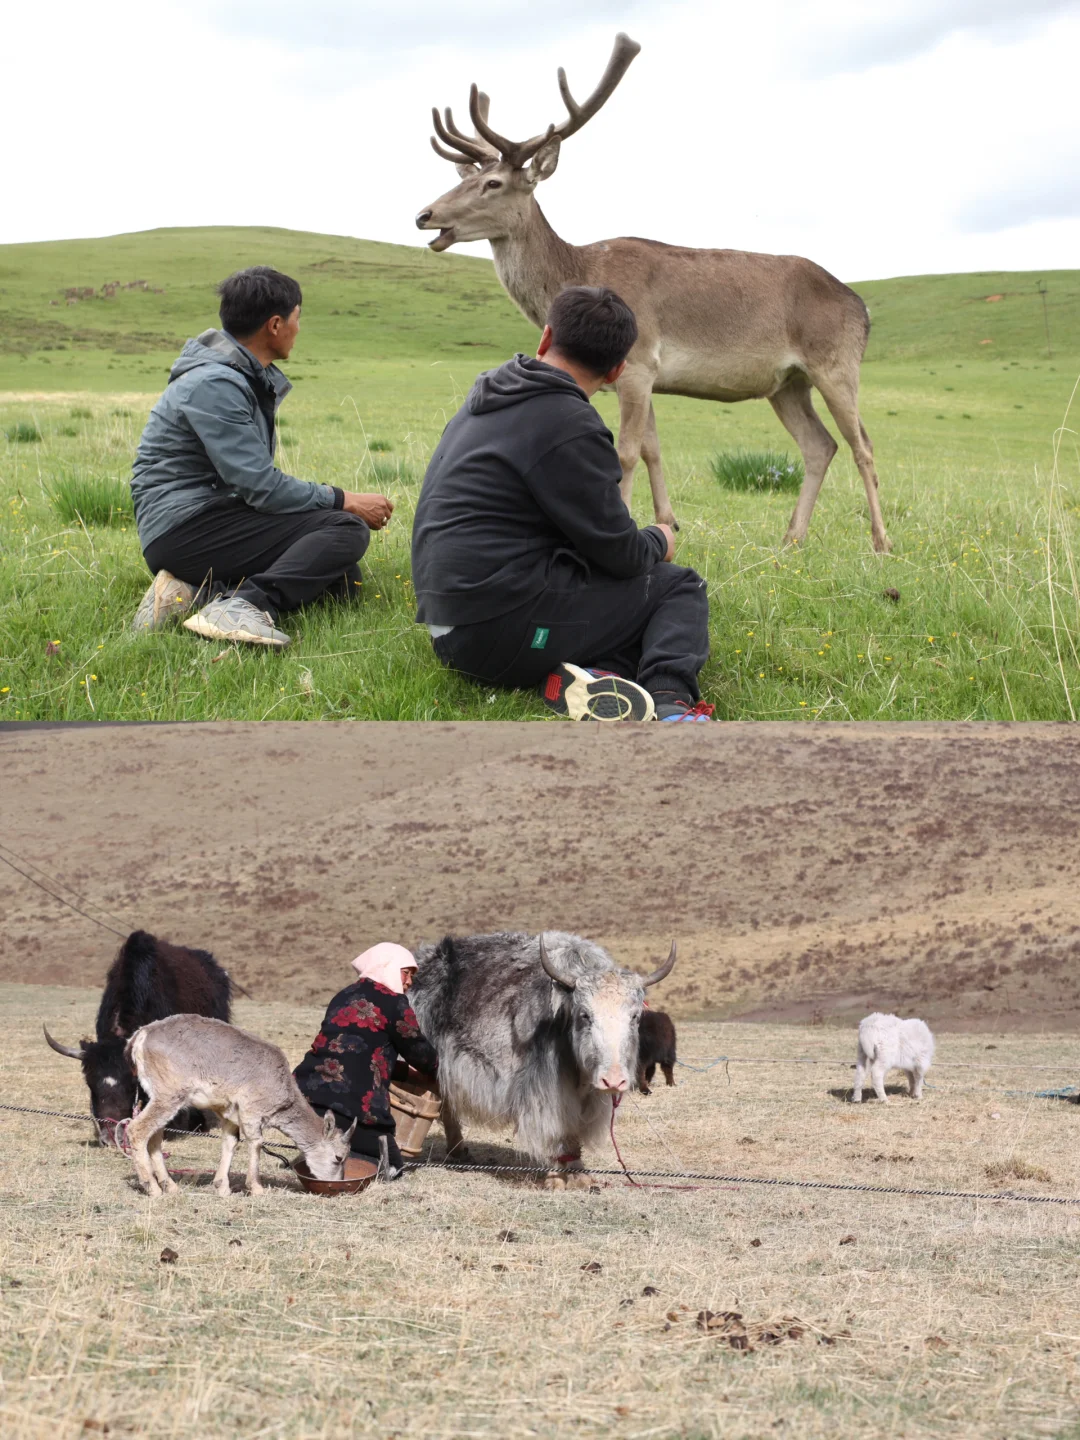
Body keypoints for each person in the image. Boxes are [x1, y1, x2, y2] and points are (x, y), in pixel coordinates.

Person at [410, 284, 713, 721]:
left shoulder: (489, 395)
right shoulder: (571, 425)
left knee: (621, 607)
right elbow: (622, 555)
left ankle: (593, 675)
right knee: (678, 587)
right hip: (498, 633)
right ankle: (670, 702)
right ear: (617, 371)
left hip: (448, 632)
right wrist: (658, 538)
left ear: (546, 336)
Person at [129, 265, 394, 649]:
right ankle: (244, 606)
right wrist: (342, 499)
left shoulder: (235, 376)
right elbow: (261, 487)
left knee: (342, 579)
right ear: (275, 325)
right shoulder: (216, 383)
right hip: (183, 529)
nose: (298, 329)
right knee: (346, 529)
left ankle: (196, 592)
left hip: (204, 519)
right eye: (297, 318)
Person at [293, 943, 437, 1176]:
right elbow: (418, 1050)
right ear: (387, 967)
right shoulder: (394, 1003)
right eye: (406, 973)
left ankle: (319, 1156)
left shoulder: (343, 995)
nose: (409, 982)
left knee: (333, 1151)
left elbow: (364, 1055)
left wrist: (406, 1073)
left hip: (308, 1095)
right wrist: (442, 1072)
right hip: (353, 1106)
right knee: (392, 1168)